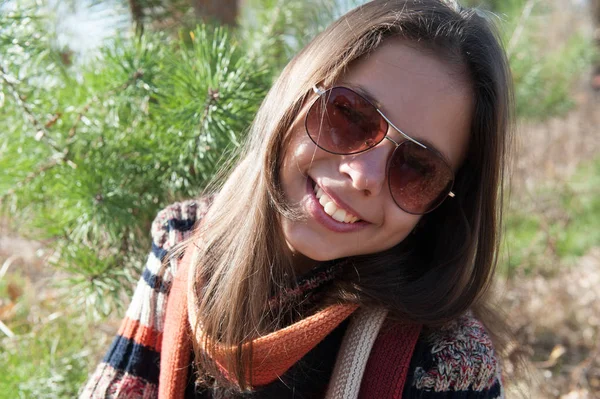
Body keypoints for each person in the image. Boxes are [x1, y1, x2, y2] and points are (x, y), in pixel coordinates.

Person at [81, 0, 514, 397]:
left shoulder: (449, 362)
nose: (362, 176)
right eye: (349, 115)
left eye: (417, 167)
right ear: (297, 88)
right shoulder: (182, 243)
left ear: (447, 205)